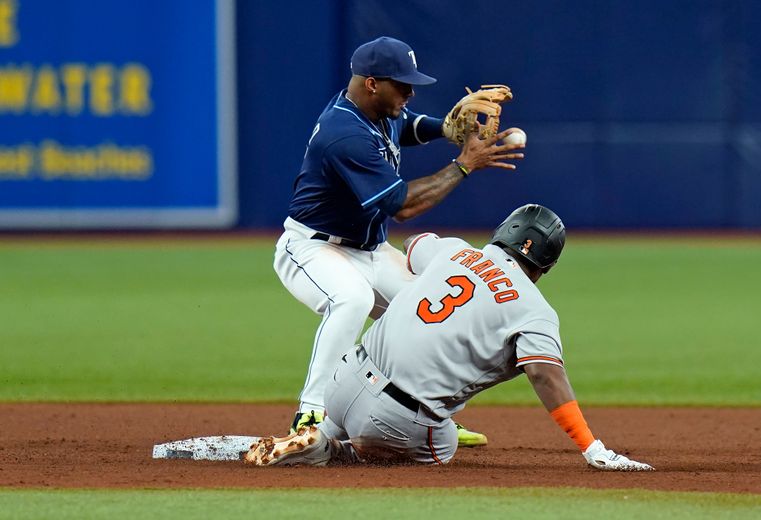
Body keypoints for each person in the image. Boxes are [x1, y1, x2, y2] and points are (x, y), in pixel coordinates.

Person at [247, 204, 654, 471]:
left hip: (345, 379)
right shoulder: (535, 310)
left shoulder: (458, 250)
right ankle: (334, 452)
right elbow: (545, 375)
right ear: (546, 263)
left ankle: (323, 433)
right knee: (445, 446)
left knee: (356, 403)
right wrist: (591, 447)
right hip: (396, 421)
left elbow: (414, 244)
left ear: (504, 232)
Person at [273, 36, 525, 447]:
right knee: (351, 299)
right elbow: (402, 205)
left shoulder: (378, 109)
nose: (410, 93)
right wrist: (463, 164)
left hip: (369, 249)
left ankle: (434, 411)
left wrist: (445, 129)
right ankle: (311, 411)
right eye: (402, 84)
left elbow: (405, 126)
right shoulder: (343, 134)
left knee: (435, 314)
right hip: (313, 248)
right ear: (372, 83)